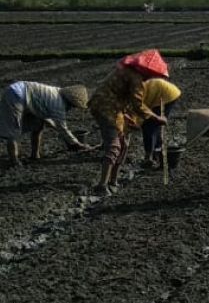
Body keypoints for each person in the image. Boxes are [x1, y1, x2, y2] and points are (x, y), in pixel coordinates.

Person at [87, 50, 169, 195]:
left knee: (125, 142)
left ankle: (114, 181)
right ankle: (102, 185)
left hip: (115, 109)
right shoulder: (135, 78)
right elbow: (137, 104)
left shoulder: (128, 72)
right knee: (114, 145)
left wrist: (126, 116)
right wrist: (156, 118)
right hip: (105, 108)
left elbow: (124, 99)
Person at [1, 81, 92, 167]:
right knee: (14, 128)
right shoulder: (58, 104)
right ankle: (14, 161)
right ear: (71, 103)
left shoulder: (58, 92)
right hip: (15, 95)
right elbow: (62, 127)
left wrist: (59, 130)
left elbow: (46, 117)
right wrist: (78, 144)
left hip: (27, 96)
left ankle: (35, 154)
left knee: (38, 126)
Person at [136, 77, 182, 169]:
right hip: (160, 93)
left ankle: (149, 157)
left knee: (149, 126)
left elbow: (142, 111)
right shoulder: (133, 91)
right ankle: (156, 154)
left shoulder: (133, 97)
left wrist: (157, 118)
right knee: (154, 125)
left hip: (166, 94)